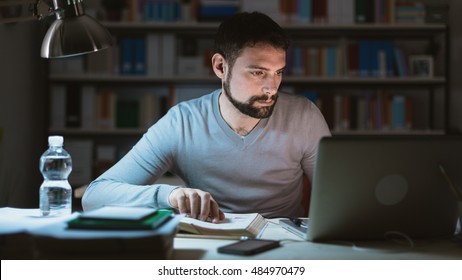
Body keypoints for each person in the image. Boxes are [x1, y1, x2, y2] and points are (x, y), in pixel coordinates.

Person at [82, 11, 331, 222]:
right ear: (220, 67)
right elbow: (95, 197)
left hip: (283, 245)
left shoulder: (304, 116)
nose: (271, 87)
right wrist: (167, 196)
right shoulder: (182, 123)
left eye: (278, 72)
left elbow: (338, 195)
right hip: (210, 241)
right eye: (257, 73)